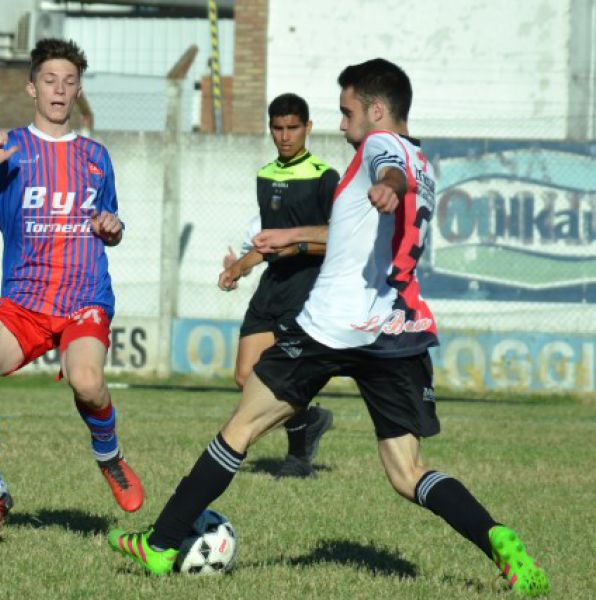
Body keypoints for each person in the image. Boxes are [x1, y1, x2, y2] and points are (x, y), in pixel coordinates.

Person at [107, 59, 550, 597]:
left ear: (377, 111)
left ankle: (159, 544)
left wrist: (387, 183)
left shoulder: (382, 152)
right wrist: (290, 234)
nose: (341, 125)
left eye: (347, 112)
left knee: (240, 429)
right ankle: (498, 538)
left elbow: (390, 171)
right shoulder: (427, 164)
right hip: (395, 332)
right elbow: (356, 225)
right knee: (408, 472)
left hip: (330, 328)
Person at [0, 38, 144, 548]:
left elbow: (113, 226)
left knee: (87, 383)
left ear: (77, 91)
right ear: (32, 87)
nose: (59, 89)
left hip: (84, 296)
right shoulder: (7, 149)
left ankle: (109, 457)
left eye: (69, 81)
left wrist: (110, 226)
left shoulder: (96, 157)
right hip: (24, 303)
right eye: (50, 80)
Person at [218, 93, 337, 478]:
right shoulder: (266, 176)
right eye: (278, 129)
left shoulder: (324, 176)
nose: (285, 136)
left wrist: (299, 245)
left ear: (308, 128)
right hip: (273, 284)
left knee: (284, 376)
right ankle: (312, 419)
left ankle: (298, 458)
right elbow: (268, 242)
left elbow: (340, 237)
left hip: (307, 285)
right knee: (244, 376)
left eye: (293, 128)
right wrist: (240, 266)